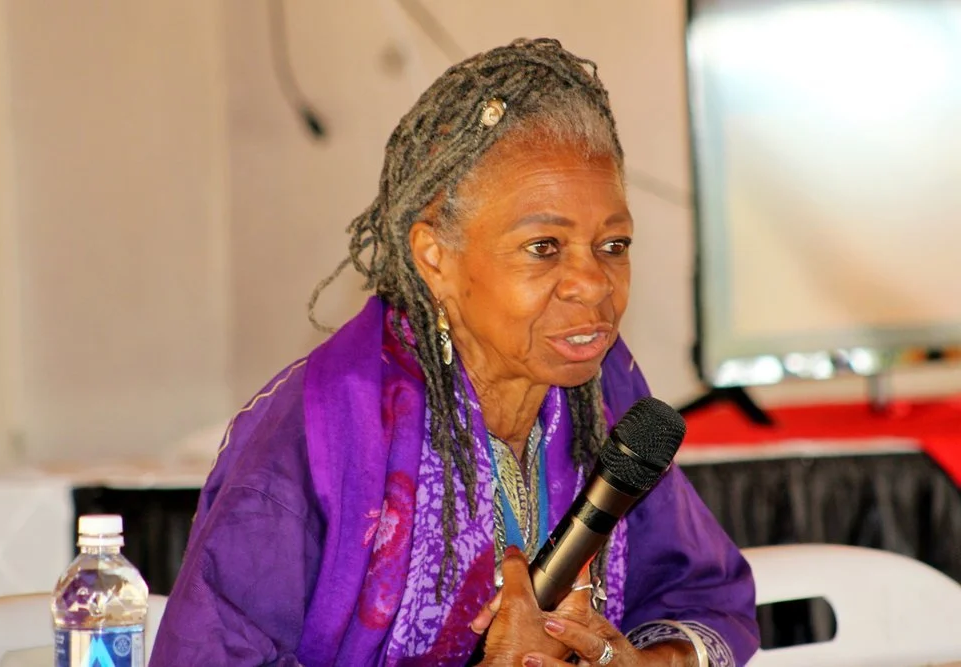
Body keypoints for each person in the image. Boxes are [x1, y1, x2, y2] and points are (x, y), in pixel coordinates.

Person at [150, 38, 759, 667]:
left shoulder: (604, 396)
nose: (596, 284)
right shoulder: (322, 437)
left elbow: (706, 596)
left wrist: (646, 663)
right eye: (544, 246)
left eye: (614, 245)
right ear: (435, 256)